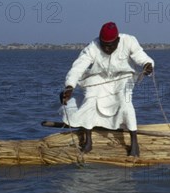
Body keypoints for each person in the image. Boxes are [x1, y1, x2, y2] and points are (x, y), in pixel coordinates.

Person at [60, 22, 154, 157]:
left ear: (118, 40)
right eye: (104, 45)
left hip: (123, 78)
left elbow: (141, 56)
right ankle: (88, 141)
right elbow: (78, 67)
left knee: (125, 101)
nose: (107, 49)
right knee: (90, 99)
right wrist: (69, 86)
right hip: (98, 78)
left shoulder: (128, 41)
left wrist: (147, 65)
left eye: (111, 45)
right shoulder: (93, 46)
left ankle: (134, 142)